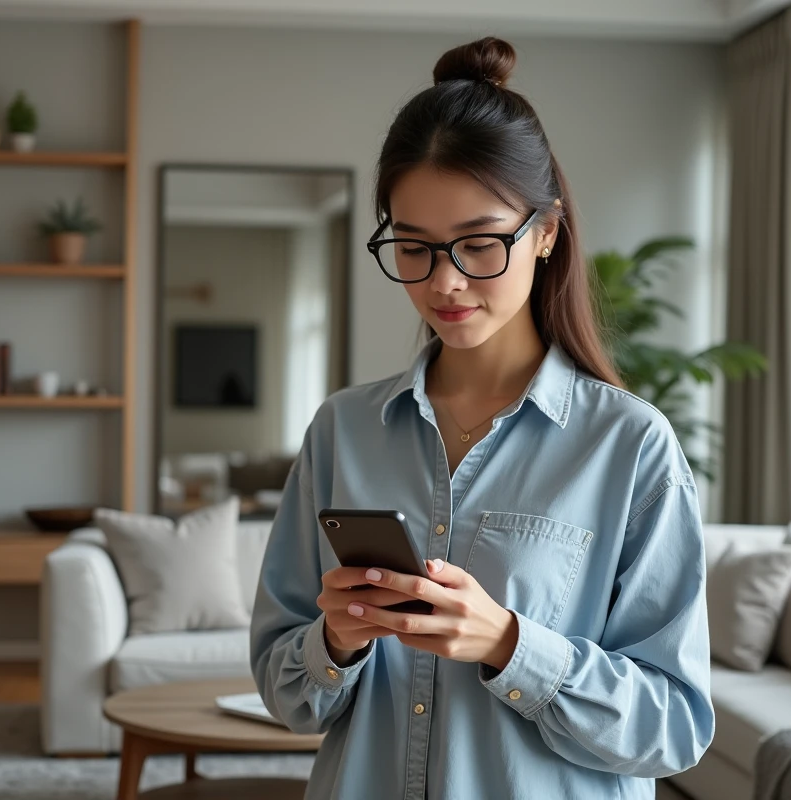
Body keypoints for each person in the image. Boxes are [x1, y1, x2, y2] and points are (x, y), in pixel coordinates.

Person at [250, 36, 714, 800]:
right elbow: (285, 693)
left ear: (545, 232)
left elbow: (673, 727)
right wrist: (334, 641)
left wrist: (509, 644)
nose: (446, 281)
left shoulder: (630, 446)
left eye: (479, 243)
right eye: (415, 247)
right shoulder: (343, 429)